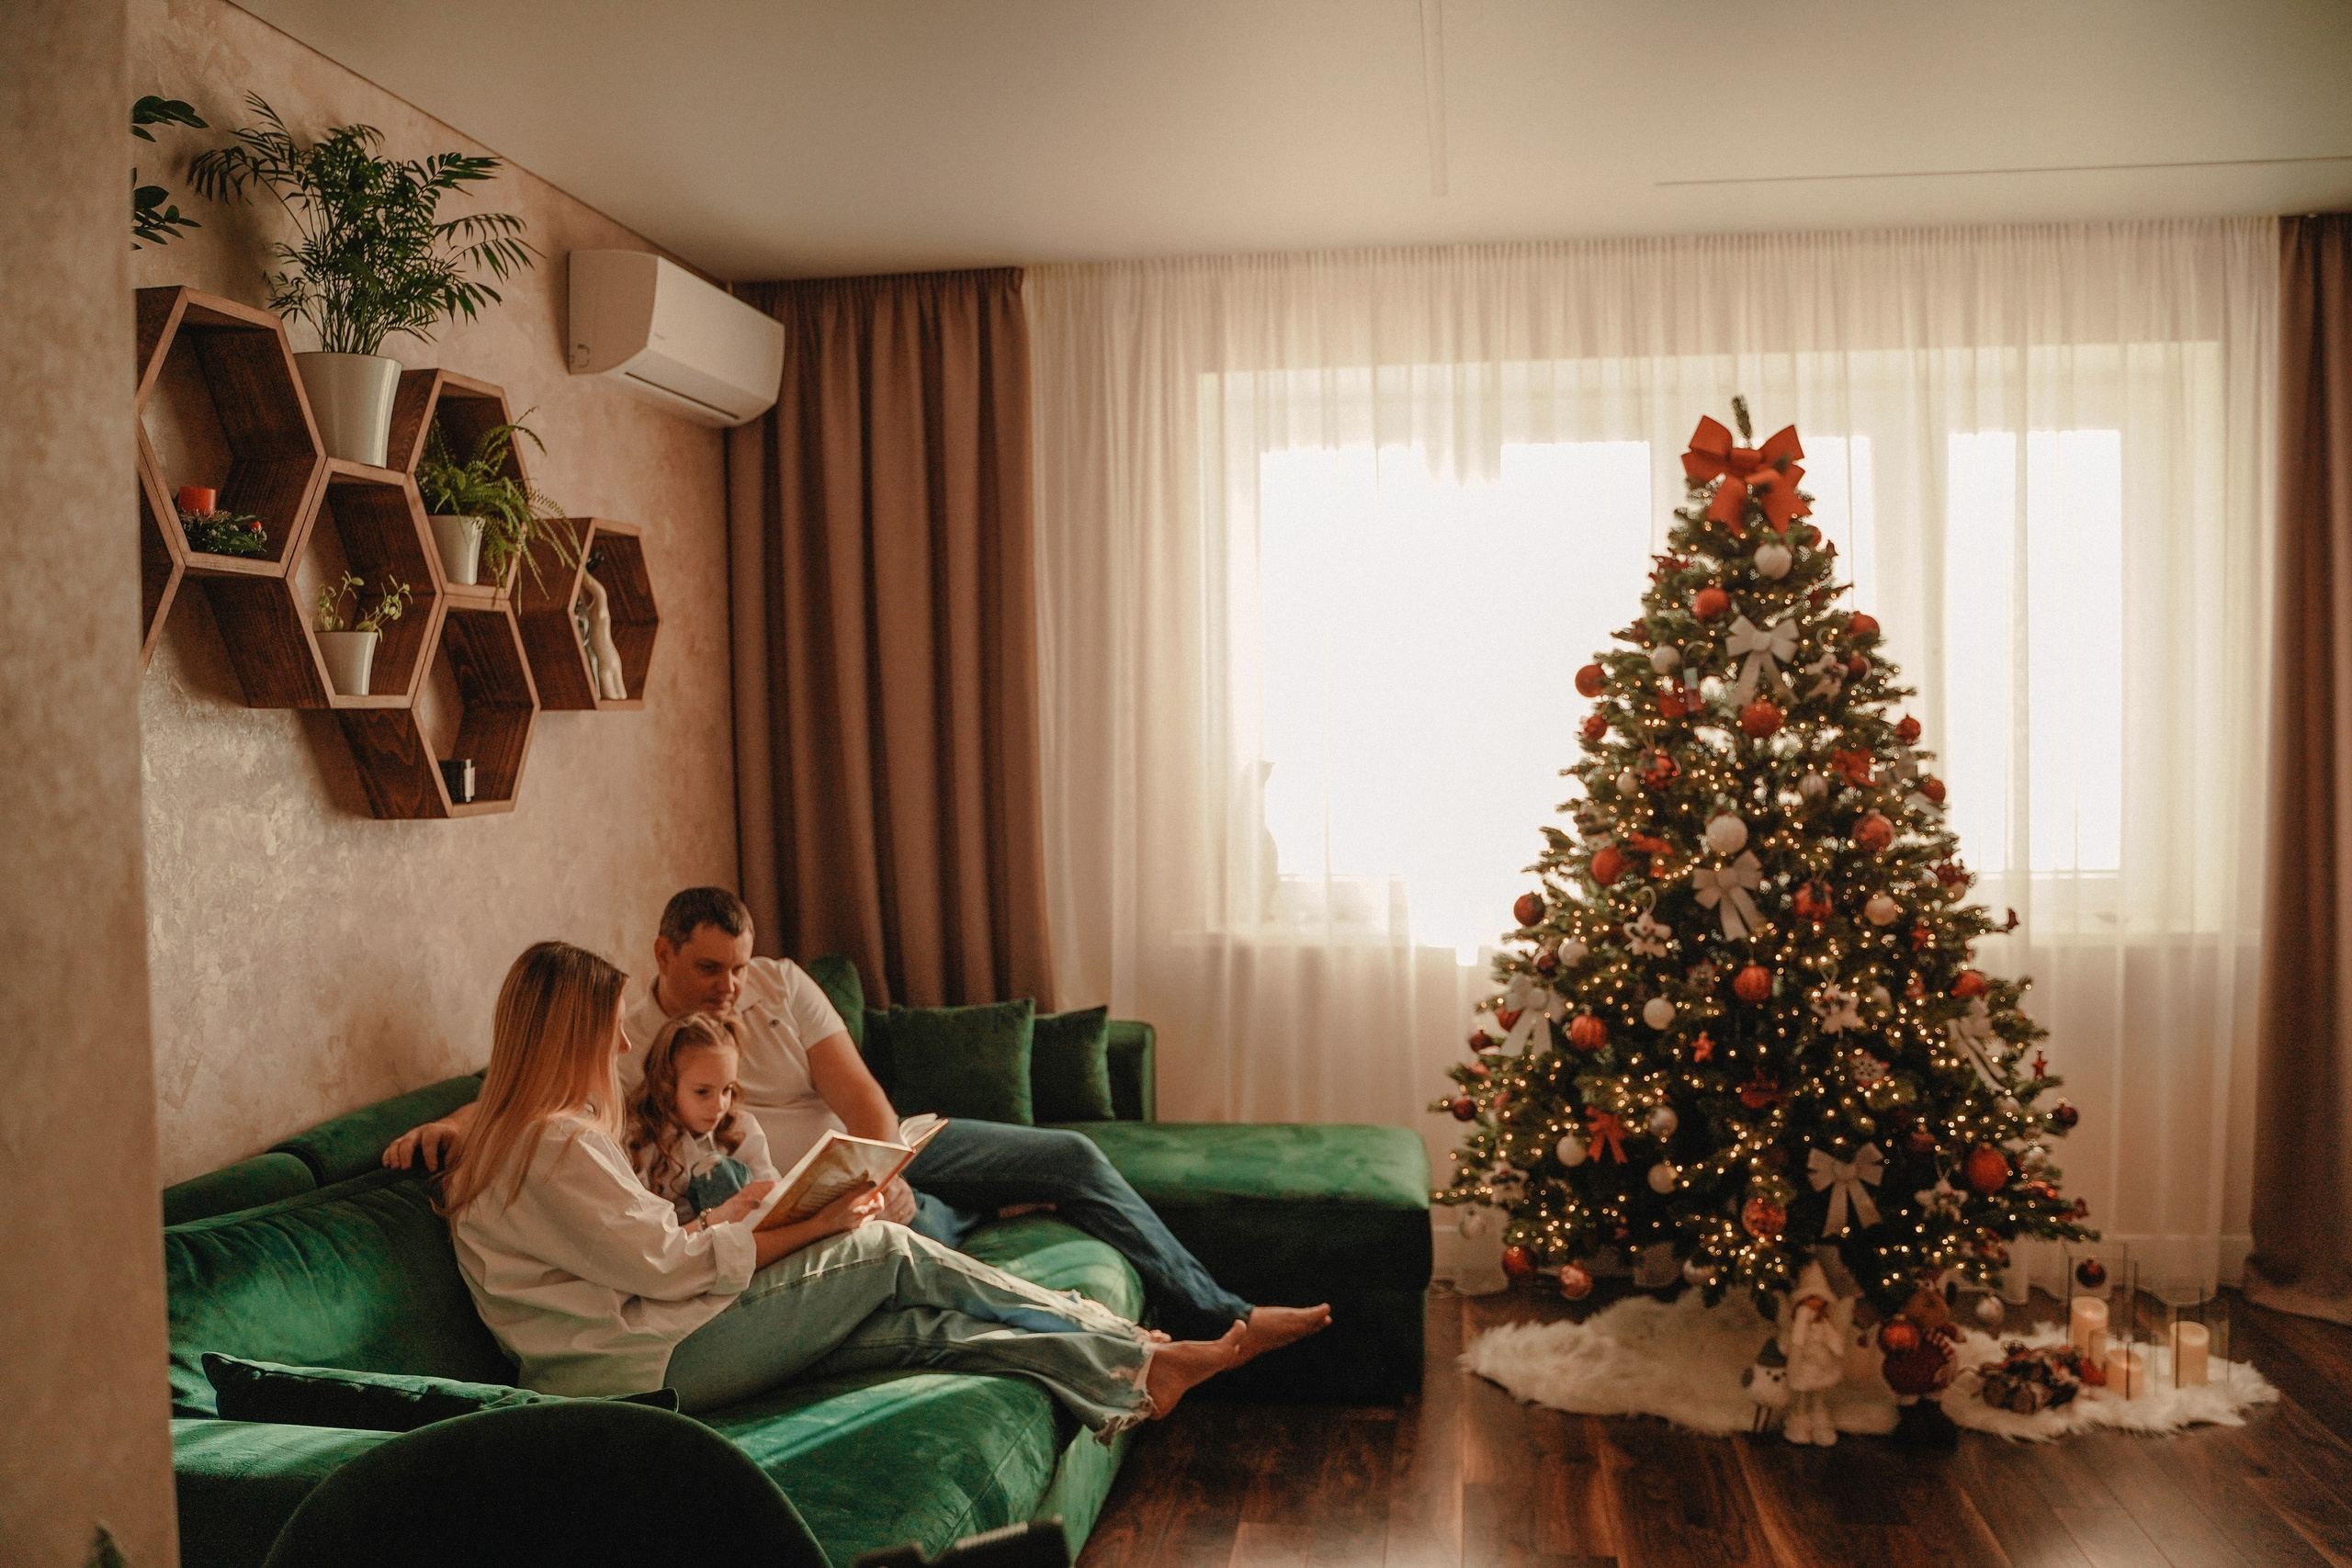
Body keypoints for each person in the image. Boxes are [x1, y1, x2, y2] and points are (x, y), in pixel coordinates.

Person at [391, 888, 1330, 1360]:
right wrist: (454, 1119)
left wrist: (889, 1163)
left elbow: (860, 1094)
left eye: (740, 966)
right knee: (908, 1240)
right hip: (792, 1198)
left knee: (1073, 1153)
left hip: (872, 1153)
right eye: (713, 968)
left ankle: (1222, 1309)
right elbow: (536, 1087)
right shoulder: (634, 1036)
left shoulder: (783, 986)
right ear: (664, 955)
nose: (732, 985)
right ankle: (1014, 1248)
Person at [439, 939, 1246, 1428]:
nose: (621, 1040)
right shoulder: (553, 1142)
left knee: (921, 1329)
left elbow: (640, 1255)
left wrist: (732, 1217)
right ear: (568, 1031)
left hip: (628, 1360)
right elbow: (669, 1267)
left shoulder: (516, 1142)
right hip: (644, 1367)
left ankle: (1133, 1375)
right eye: (608, 1022)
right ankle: (1121, 1336)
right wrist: (819, 1226)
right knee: (890, 1248)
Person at [625, 1011, 770, 1223]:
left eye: (727, 1089)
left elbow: (771, 1196)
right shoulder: (640, 1141)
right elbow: (646, 1234)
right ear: (667, 1084)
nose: (719, 1106)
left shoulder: (742, 1129)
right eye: (702, 1092)